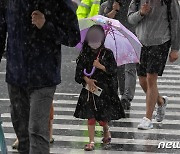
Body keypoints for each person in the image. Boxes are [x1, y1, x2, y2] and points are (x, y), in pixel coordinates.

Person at [0, 0, 80, 154]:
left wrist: (46, 26)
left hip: (44, 76)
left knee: (37, 130)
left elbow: (73, 36)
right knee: (22, 134)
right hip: (16, 75)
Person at [128, 0, 180, 130]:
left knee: (151, 79)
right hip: (140, 42)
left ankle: (147, 118)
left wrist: (175, 48)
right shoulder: (137, 1)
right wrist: (141, 13)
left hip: (160, 42)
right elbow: (130, 19)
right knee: (142, 81)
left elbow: (176, 22)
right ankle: (160, 101)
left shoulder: (169, 1)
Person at [74, 25, 125, 151]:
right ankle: (91, 141)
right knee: (90, 116)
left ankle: (106, 128)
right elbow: (78, 73)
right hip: (89, 91)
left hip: (104, 91)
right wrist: (87, 80)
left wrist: (101, 66)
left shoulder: (107, 53)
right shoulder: (84, 54)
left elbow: (113, 71)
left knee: (102, 117)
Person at [99, 0, 137, 110]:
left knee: (129, 69)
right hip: (112, 41)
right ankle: (114, 95)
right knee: (116, 69)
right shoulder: (106, 5)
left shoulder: (132, 5)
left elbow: (135, 20)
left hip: (129, 39)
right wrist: (114, 10)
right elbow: (101, 23)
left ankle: (126, 98)